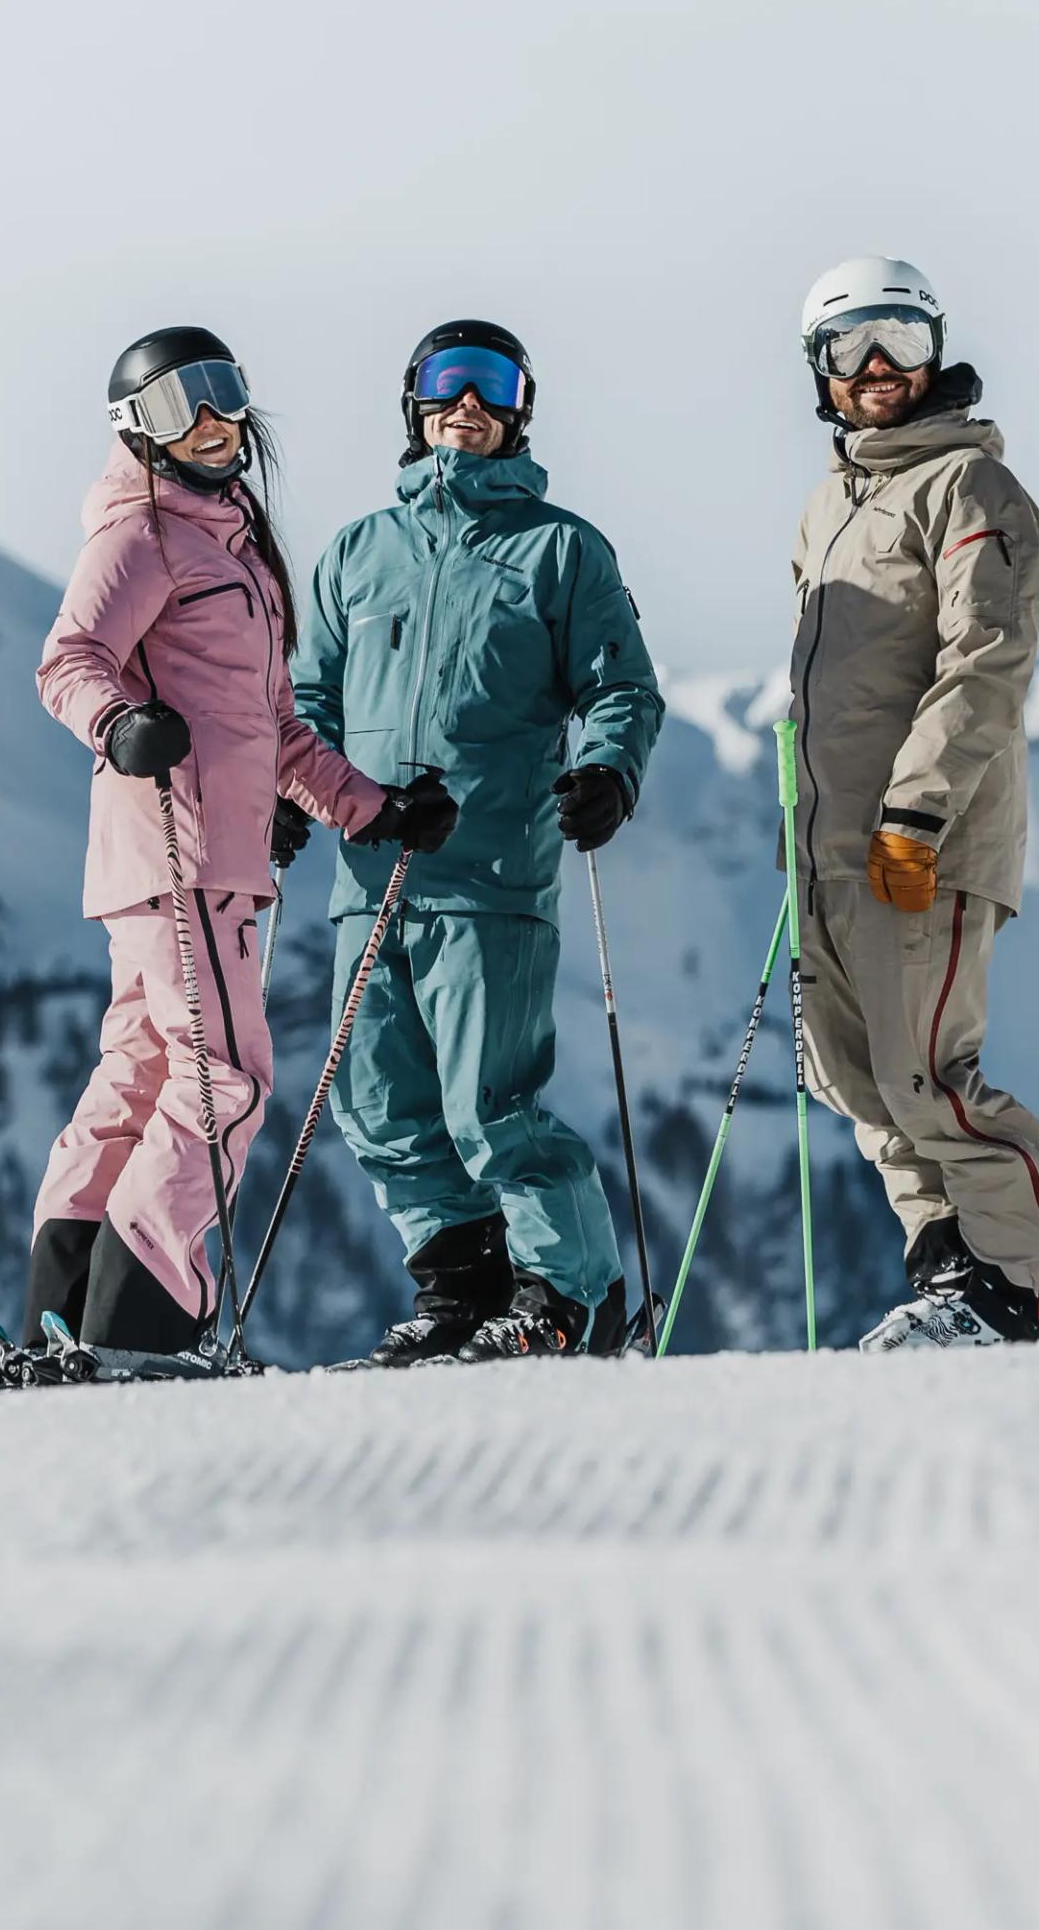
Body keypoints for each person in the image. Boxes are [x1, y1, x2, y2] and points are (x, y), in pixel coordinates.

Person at [29, 328, 459, 1356]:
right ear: (141, 431)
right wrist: (120, 724)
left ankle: (71, 1305)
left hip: (204, 862)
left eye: (224, 391)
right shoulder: (141, 534)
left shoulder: (234, 544)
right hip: (173, 851)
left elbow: (274, 730)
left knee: (141, 1071)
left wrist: (372, 808)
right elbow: (69, 659)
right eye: (183, 403)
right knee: (224, 1075)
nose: (213, 418)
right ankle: (141, 1317)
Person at [289, 321, 663, 1362]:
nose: (468, 401)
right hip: (370, 873)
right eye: (446, 381)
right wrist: (294, 791)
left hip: (491, 874)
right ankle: (464, 1287)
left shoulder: (560, 549)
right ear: (413, 403)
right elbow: (305, 697)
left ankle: (568, 1296)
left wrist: (607, 769)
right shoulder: (360, 552)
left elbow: (621, 685)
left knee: (489, 1107)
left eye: (493, 384)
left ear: (520, 408)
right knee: (377, 1105)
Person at [783, 259, 1039, 1348]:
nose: (879, 369)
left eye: (902, 342)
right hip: (829, 852)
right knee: (853, 1079)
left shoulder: (972, 488)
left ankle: (1032, 1294)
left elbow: (987, 661)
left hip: (923, 840)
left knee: (930, 1079)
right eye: (854, 345)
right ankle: (954, 1267)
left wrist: (915, 812)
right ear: (818, 367)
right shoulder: (830, 505)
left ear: (938, 350)